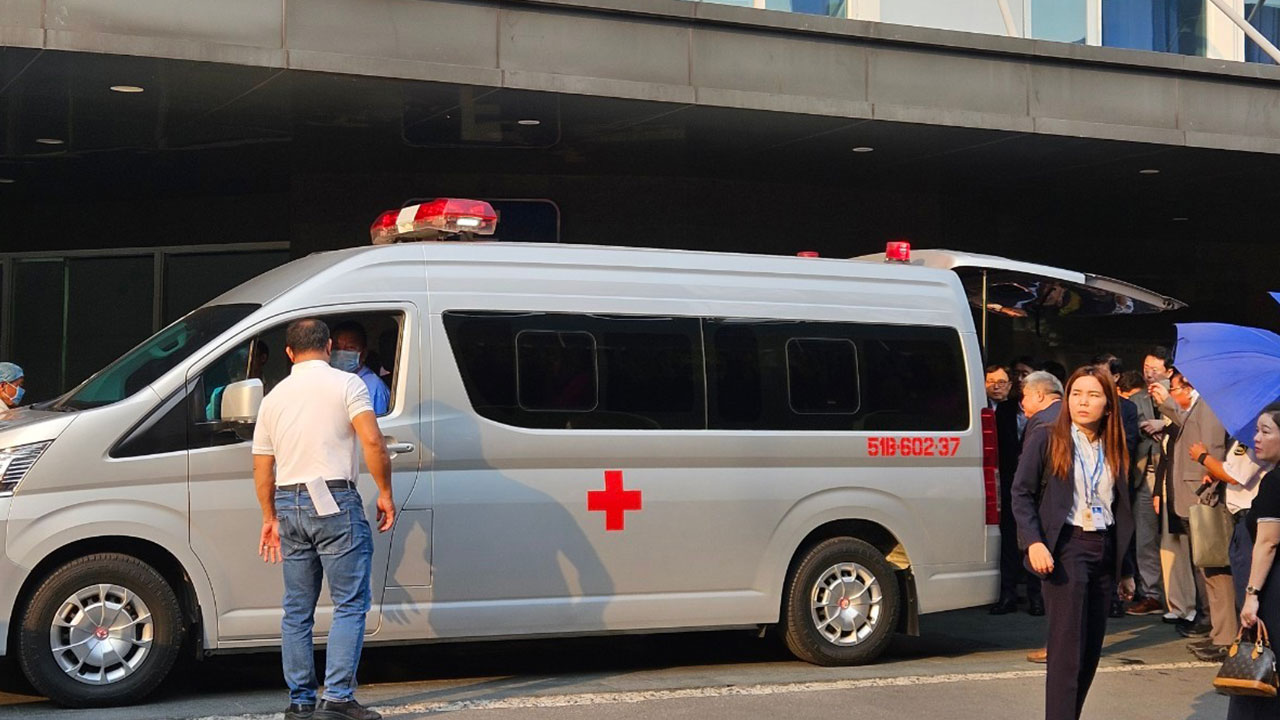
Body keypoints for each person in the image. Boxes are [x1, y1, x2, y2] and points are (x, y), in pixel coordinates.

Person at [253, 319, 395, 720]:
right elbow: (372, 441)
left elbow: (262, 466)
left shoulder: (273, 398)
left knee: (297, 609)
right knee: (349, 603)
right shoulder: (348, 385)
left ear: (288, 352)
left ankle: (300, 701)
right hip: (335, 499)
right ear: (329, 346)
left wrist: (269, 516)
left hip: (288, 501)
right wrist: (385, 493)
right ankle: (337, 698)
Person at [1011, 366, 1134, 720]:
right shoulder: (1049, 436)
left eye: (1094, 395)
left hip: (1104, 548)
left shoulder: (1114, 444)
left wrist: (1125, 568)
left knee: (1089, 654)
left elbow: (1119, 506)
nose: (1083, 401)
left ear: (1108, 405)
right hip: (1066, 549)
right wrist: (1033, 542)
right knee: (1066, 655)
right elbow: (1021, 493)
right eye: (1076, 393)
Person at [1151, 372, 1235, 648]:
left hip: (1201, 497)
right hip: (1191, 495)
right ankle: (1216, 631)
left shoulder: (1209, 405)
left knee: (1214, 568)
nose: (1172, 393)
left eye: (1175, 388)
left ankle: (1222, 633)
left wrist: (1208, 494)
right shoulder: (1196, 407)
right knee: (1205, 568)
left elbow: (1211, 450)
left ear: (1189, 386)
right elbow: (1186, 427)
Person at [1194, 429, 1270, 662]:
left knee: (1250, 589)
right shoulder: (1243, 436)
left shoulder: (1252, 438)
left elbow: (1235, 474)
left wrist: (1202, 457)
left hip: (1250, 519)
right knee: (1241, 584)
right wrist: (1215, 471)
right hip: (1239, 518)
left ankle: (1254, 654)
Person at [1232, 402, 1280, 720]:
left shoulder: (1275, 482)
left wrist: (1251, 596)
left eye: (1266, 431)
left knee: (1264, 676)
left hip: (1274, 592)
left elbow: (1268, 542)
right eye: (1256, 430)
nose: (1256, 438)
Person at [1018, 370, 1064, 663]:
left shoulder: (1043, 425)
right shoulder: (1072, 418)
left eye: (1023, 395)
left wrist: (1032, 536)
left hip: (1050, 517)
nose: (1021, 402)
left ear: (1038, 394)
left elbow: (1025, 485)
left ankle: (1057, 646)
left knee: (1057, 590)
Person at [989, 364, 1038, 615]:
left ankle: (1036, 596)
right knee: (1008, 539)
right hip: (1009, 480)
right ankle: (1007, 594)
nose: (1022, 386)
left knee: (1035, 537)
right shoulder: (1004, 410)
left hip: (1037, 484)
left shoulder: (1045, 413)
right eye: (1019, 382)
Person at [1118, 369, 1165, 616]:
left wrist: (1165, 423)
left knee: (1175, 541)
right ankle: (1152, 594)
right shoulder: (1135, 402)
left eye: (1156, 370)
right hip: (1144, 476)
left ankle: (1182, 600)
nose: (1151, 375)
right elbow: (1129, 430)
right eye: (1147, 370)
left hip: (1175, 476)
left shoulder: (1185, 399)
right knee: (1145, 539)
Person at [331, 322, 391, 415]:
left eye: (350, 348)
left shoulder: (373, 386)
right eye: (337, 348)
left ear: (363, 354)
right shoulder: (329, 379)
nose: (341, 353)